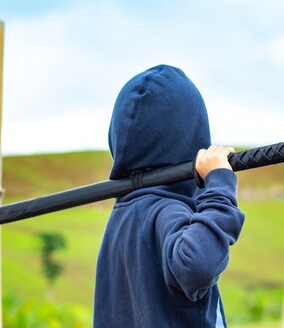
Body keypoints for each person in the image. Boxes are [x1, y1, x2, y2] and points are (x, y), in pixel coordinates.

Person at [94, 64, 246, 327]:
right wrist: (218, 185)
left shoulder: (123, 218)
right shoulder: (164, 211)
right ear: (192, 138)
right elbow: (198, 264)